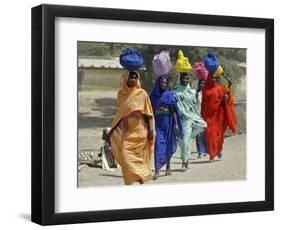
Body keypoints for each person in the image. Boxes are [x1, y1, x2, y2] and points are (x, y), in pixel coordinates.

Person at [108, 71, 155, 185]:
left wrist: (151, 130)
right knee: (125, 155)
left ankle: (141, 176)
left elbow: (148, 113)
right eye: (131, 77)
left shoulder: (142, 94)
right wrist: (111, 131)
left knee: (140, 157)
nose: (133, 79)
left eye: (135, 77)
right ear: (126, 79)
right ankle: (131, 178)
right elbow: (120, 114)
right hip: (127, 132)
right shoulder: (121, 94)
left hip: (140, 131)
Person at [150, 76, 183, 180]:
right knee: (158, 146)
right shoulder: (153, 96)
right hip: (157, 124)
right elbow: (149, 111)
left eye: (165, 83)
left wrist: (176, 124)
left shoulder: (169, 95)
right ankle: (157, 170)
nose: (163, 84)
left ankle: (168, 166)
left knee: (168, 145)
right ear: (158, 83)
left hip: (168, 123)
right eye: (162, 82)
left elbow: (173, 110)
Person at [201, 65, 237, 161]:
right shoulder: (205, 89)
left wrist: (225, 98)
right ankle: (212, 154)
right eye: (212, 77)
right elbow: (204, 103)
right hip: (209, 116)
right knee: (210, 135)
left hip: (219, 115)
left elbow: (225, 97)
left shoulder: (219, 88)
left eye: (215, 78)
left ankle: (219, 150)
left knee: (219, 135)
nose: (213, 79)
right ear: (209, 77)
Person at [173, 73, 207, 170]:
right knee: (184, 142)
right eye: (184, 78)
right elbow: (173, 105)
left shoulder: (192, 92)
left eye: (187, 78)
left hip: (190, 119)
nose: (186, 79)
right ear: (180, 79)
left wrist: (195, 116)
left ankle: (185, 159)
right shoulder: (175, 92)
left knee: (203, 126)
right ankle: (185, 161)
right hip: (180, 120)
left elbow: (194, 105)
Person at [196, 79, 208, 158]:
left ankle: (205, 150)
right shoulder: (196, 94)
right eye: (201, 83)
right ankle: (199, 151)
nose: (202, 85)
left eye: (204, 83)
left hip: (206, 116)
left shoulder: (207, 93)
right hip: (197, 115)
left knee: (205, 134)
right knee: (198, 134)